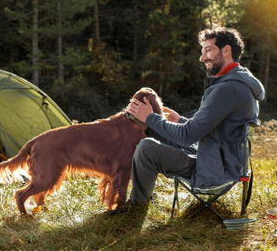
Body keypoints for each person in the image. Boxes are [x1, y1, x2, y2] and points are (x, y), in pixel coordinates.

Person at [111, 27, 265, 214]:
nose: (202, 58)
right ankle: (138, 197)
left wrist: (149, 117)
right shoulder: (238, 81)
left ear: (226, 51)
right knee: (157, 133)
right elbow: (218, 129)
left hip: (215, 170)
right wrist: (181, 120)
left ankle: (136, 208)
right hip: (219, 158)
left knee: (147, 148)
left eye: (208, 50)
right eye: (202, 52)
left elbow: (187, 137)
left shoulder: (228, 88)